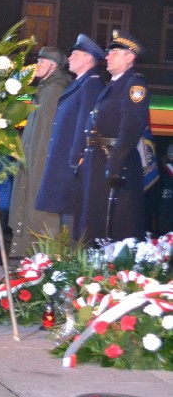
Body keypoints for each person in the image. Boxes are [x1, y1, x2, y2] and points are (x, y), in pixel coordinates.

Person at [74, 30, 149, 242]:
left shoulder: (134, 85)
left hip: (115, 163)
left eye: (114, 52)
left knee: (114, 226)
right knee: (91, 222)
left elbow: (131, 127)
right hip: (97, 161)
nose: (107, 56)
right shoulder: (114, 85)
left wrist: (114, 165)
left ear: (129, 57)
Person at [35, 34, 107, 237]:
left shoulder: (91, 84)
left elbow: (87, 124)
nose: (71, 57)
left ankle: (72, 263)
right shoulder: (80, 83)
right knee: (66, 217)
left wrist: (77, 159)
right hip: (66, 162)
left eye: (76, 54)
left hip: (74, 164)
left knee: (74, 221)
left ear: (87, 59)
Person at [8, 46, 72, 257]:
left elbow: (45, 134)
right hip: (33, 158)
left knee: (38, 210)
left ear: (53, 65)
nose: (36, 66)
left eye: (42, 62)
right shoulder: (45, 89)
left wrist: (34, 162)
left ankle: (38, 256)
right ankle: (29, 255)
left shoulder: (54, 90)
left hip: (40, 162)